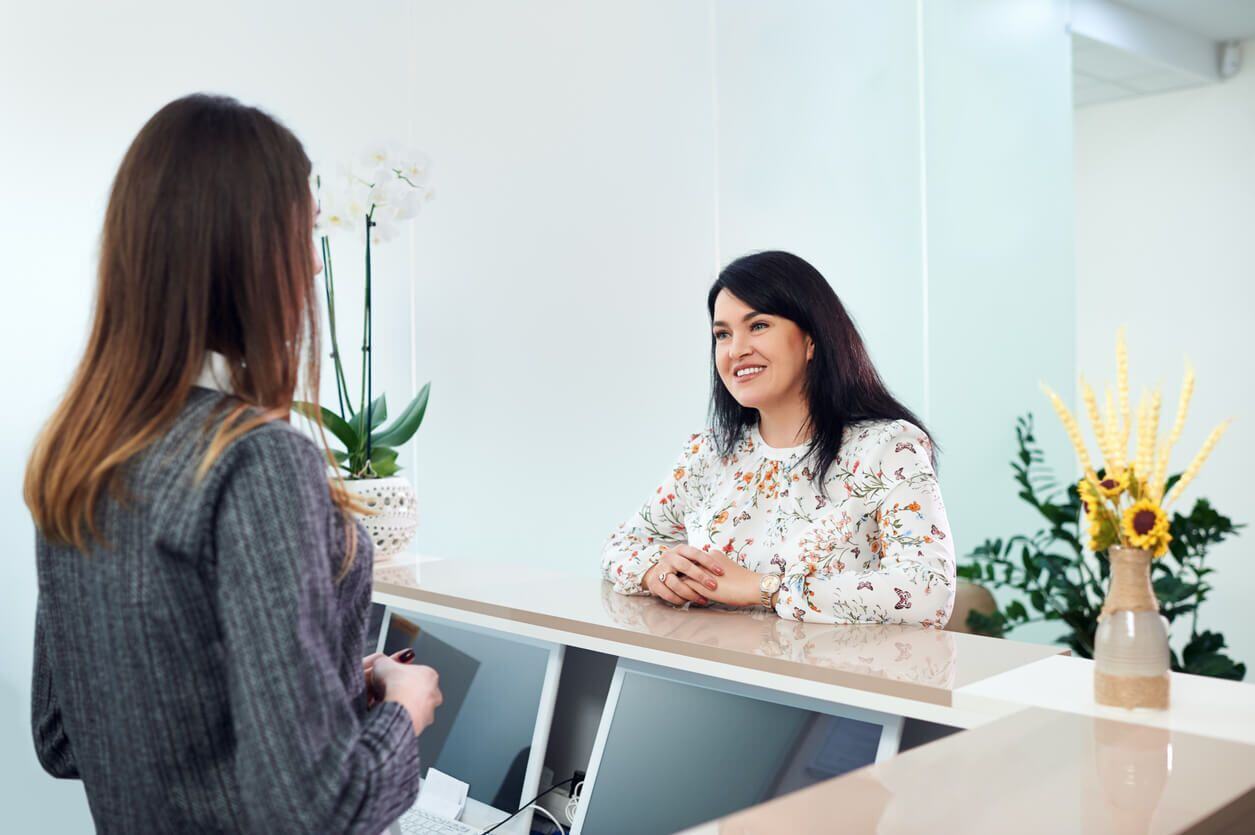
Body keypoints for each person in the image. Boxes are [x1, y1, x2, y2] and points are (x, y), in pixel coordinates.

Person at [24, 94, 441, 833]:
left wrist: (340, 686)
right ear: (243, 249)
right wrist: (402, 711)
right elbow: (318, 807)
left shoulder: (81, 452)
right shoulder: (257, 462)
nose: (315, 263)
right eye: (303, 232)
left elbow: (64, 736)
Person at [602, 251, 956, 626]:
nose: (736, 349)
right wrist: (659, 571)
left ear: (811, 339)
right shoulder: (709, 452)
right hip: (711, 671)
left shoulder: (888, 447)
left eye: (758, 326)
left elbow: (929, 593)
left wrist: (763, 589)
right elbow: (622, 546)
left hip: (830, 680)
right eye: (722, 334)